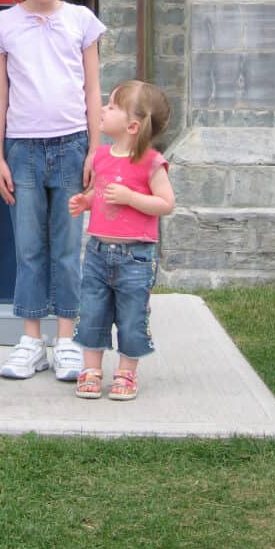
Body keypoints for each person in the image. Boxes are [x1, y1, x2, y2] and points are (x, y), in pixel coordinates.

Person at [0, 0, 105, 381]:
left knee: (67, 248)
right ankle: (31, 339)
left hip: (72, 148)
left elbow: (93, 90)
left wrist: (95, 149)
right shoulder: (2, 26)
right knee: (29, 248)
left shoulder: (81, 21)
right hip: (23, 152)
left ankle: (66, 339)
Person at [68, 80, 175, 401]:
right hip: (99, 252)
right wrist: (87, 201)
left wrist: (131, 197)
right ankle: (91, 369)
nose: (103, 109)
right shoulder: (101, 157)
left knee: (131, 317)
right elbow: (100, 191)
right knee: (92, 312)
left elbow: (166, 203)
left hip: (136, 257)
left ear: (132, 125)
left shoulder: (151, 162)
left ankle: (126, 373)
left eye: (112, 106)